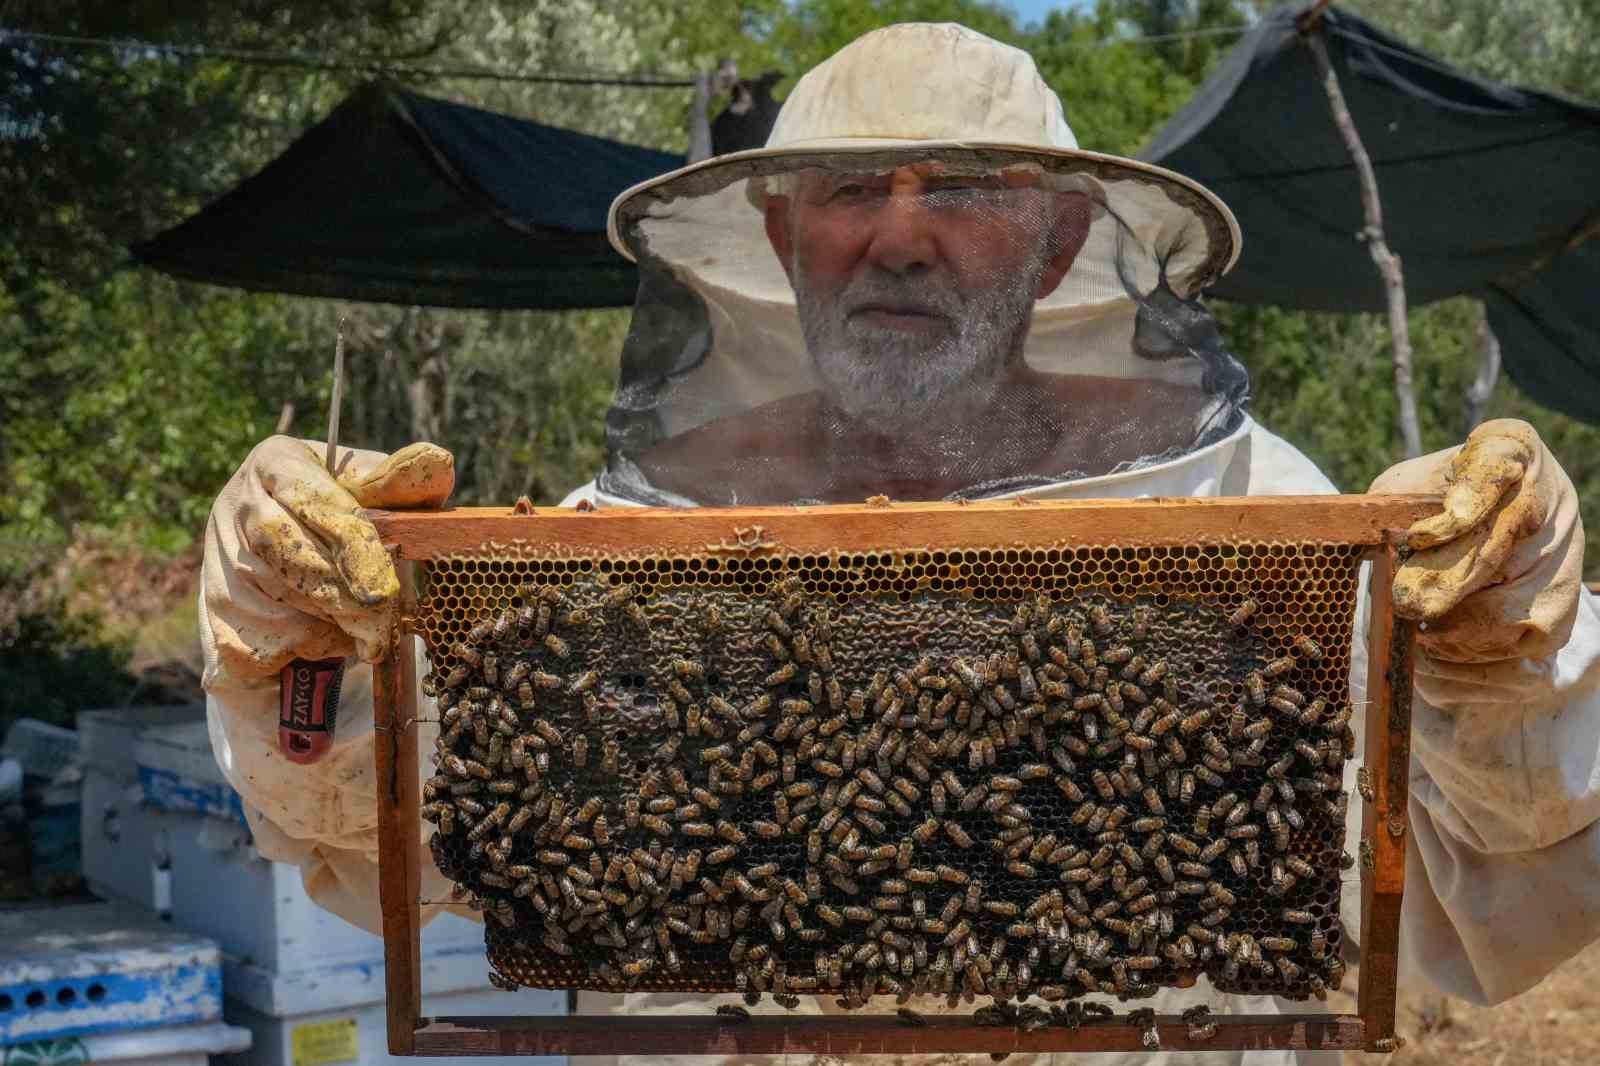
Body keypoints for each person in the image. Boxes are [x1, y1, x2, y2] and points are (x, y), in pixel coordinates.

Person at [200, 22, 1598, 1066]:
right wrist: (292, 639)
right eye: (854, 192)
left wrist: (1507, 653)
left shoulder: (1258, 509)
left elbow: (1503, 883)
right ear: (778, 229)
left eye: (968, 192)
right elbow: (385, 826)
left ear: (1058, 243)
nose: (902, 239)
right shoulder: (632, 544)